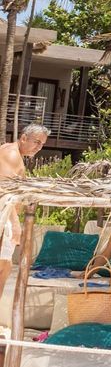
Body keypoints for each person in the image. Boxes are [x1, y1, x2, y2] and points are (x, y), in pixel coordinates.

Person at [0, 124, 48, 294]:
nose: (39, 147)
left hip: (5, 215)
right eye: (36, 142)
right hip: (4, 215)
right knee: (3, 267)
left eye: (42, 144)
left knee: (4, 266)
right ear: (23, 138)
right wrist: (15, 224)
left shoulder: (13, 153)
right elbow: (4, 190)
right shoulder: (12, 154)